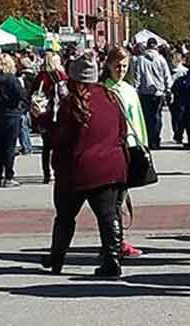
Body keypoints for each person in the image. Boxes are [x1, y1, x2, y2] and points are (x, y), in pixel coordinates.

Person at [43, 54, 130, 278]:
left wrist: (41, 120)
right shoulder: (111, 97)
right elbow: (123, 131)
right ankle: (112, 260)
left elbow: (60, 137)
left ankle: (57, 258)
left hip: (77, 168)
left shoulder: (71, 102)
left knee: (65, 216)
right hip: (110, 166)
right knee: (108, 214)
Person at [103, 45, 148, 259]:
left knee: (121, 197)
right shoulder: (104, 89)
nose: (121, 69)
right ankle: (115, 242)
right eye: (117, 65)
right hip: (112, 149)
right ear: (108, 65)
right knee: (113, 200)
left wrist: (143, 146)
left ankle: (117, 240)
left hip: (130, 147)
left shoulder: (129, 90)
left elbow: (138, 120)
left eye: (124, 66)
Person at [0, 53, 29, 188]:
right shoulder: (11, 79)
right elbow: (21, 95)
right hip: (10, 115)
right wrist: (22, 107)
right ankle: (8, 175)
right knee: (9, 147)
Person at [34, 51, 68, 184]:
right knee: (59, 145)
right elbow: (66, 95)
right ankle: (58, 170)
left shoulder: (40, 77)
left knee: (46, 146)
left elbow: (32, 92)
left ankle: (47, 173)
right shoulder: (60, 76)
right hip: (58, 115)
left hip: (43, 115)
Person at [132, 39, 171, 150]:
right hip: (158, 92)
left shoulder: (140, 60)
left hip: (144, 93)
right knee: (157, 116)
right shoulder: (161, 59)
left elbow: (137, 77)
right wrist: (168, 89)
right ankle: (156, 139)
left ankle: (148, 139)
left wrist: (135, 89)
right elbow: (166, 76)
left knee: (146, 117)